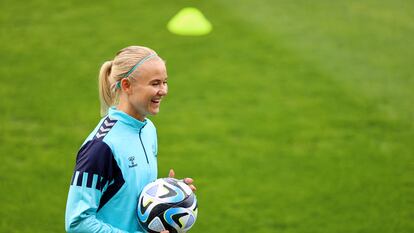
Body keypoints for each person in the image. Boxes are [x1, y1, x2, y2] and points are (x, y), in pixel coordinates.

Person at [65, 45, 196, 233]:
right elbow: (77, 223)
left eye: (165, 82)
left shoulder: (148, 129)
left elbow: (127, 192)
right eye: (155, 83)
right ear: (127, 85)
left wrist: (168, 193)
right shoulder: (101, 147)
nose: (164, 90)